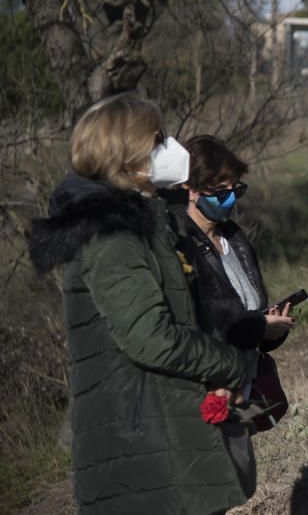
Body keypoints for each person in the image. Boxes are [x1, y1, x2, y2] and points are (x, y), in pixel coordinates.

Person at [28, 94, 253, 514]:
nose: (171, 148)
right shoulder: (111, 234)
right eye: (158, 139)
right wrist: (229, 364)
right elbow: (150, 338)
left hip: (166, 427)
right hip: (141, 441)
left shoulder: (151, 221)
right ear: (127, 157)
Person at [172, 135, 295, 496]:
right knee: (205, 487)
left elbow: (251, 308)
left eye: (233, 188)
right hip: (205, 387)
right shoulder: (179, 245)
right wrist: (257, 326)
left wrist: (272, 330)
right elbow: (203, 317)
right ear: (190, 188)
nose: (227, 197)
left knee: (235, 484)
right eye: (217, 189)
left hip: (243, 385)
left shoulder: (235, 238)